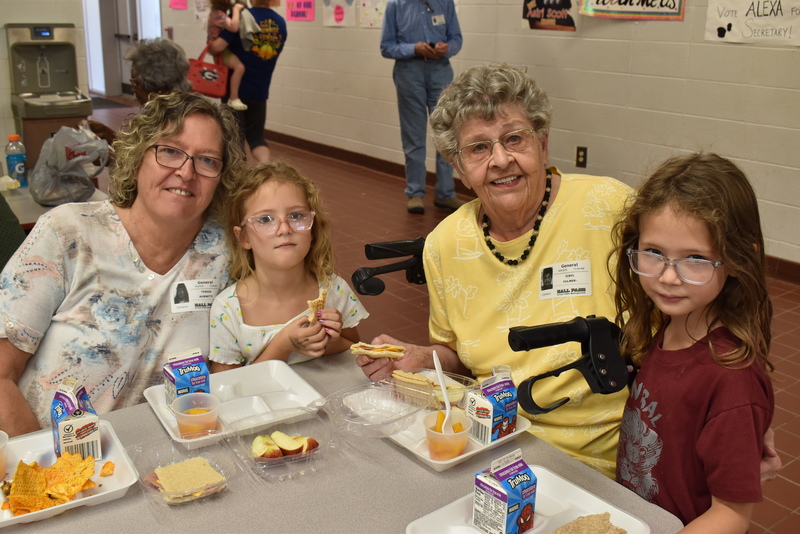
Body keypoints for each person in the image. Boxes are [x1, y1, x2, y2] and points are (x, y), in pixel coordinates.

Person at [356, 63, 633, 478]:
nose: (501, 160)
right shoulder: (445, 246)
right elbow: (460, 361)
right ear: (458, 166)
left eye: (514, 138)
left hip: (612, 452)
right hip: (495, 441)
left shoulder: (611, 208)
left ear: (542, 142)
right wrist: (422, 358)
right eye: (479, 148)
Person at [0, 92, 245, 437]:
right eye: (171, 151)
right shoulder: (69, 233)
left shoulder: (228, 251)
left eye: (207, 160)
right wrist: (45, 471)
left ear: (222, 176)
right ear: (138, 156)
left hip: (170, 457)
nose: (186, 172)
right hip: (53, 462)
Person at [612, 153, 775, 531]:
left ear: (736, 260)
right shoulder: (671, 327)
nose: (669, 277)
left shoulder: (732, 381)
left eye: (696, 258)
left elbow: (731, 514)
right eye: (654, 253)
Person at [209, 162, 368, 370]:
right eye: (265, 219)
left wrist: (327, 337)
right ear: (244, 237)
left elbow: (354, 353)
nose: (284, 228)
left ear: (313, 228)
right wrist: (283, 346)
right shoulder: (228, 309)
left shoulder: (334, 291)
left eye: (296, 216)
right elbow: (225, 385)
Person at [380, 0, 465, 215]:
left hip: (441, 70)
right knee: (413, 134)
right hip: (409, 71)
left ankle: (445, 193)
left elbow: (456, 38)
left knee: (446, 132)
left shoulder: (445, 3)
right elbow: (386, 46)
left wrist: (448, 48)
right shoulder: (395, 5)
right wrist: (413, 48)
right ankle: (416, 193)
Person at [210, 0, 287, 164]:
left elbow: (217, 47)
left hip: (234, 93)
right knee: (257, 138)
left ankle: (237, 183)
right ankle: (265, 170)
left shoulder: (243, 17)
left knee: (234, 141)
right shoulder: (280, 23)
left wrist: (210, 46)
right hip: (260, 90)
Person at [88, 39, 192, 145]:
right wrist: (111, 137)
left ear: (158, 84)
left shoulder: (176, 123)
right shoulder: (171, 111)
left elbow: (148, 158)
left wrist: (110, 158)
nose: (133, 89)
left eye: (135, 83)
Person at [207, 0, 248, 111]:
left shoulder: (219, 13)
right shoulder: (217, 14)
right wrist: (236, 9)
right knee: (239, 67)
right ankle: (233, 98)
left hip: (223, 50)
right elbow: (234, 27)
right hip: (220, 52)